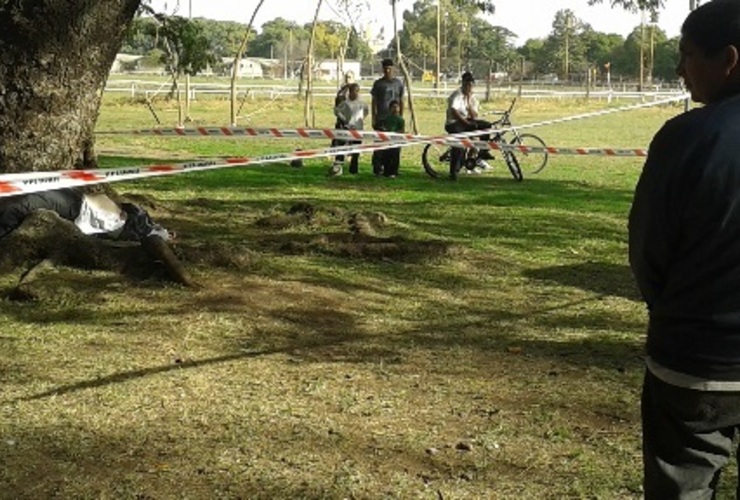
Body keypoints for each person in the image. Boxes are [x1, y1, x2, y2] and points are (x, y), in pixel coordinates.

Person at [628, 1, 740, 497]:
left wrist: (669, 307)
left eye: (688, 54)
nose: (679, 69)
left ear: (729, 60)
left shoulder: (685, 137)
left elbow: (649, 249)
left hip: (695, 361)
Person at [444, 71, 495, 180]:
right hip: (454, 123)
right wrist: (467, 123)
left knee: (486, 126)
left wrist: (468, 102)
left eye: (471, 85)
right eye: (467, 85)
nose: (469, 87)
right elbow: (454, 111)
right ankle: (454, 172)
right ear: (463, 83)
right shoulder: (456, 94)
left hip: (466, 121)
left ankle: (483, 153)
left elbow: (474, 115)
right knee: (460, 144)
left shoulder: (472, 97)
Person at [371, 58, 404, 176]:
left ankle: (392, 168)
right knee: (380, 145)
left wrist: (401, 116)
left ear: (393, 69)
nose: (387, 71)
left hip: (394, 119)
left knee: (395, 145)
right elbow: (374, 101)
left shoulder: (398, 83)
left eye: (389, 69)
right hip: (382, 117)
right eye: (385, 69)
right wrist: (374, 117)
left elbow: (401, 100)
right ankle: (377, 168)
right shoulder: (378, 84)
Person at [328, 82, 368, 176]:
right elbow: (336, 111)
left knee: (356, 149)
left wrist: (360, 120)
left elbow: (366, 111)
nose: (353, 93)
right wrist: (344, 119)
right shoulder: (345, 103)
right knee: (341, 147)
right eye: (351, 91)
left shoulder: (362, 103)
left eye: (355, 92)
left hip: (358, 129)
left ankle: (354, 169)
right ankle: (338, 168)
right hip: (346, 129)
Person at [381, 100, 405, 178]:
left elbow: (402, 130)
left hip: (396, 141)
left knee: (395, 156)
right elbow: (384, 127)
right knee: (386, 156)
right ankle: (386, 171)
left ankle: (394, 171)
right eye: (393, 107)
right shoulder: (387, 118)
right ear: (390, 109)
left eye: (396, 107)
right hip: (387, 140)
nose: (395, 109)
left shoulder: (400, 119)